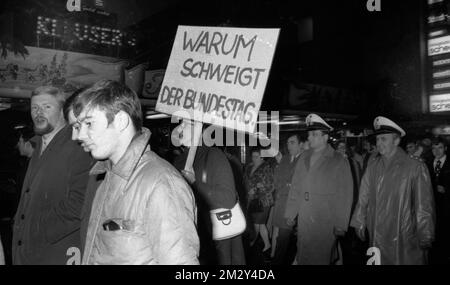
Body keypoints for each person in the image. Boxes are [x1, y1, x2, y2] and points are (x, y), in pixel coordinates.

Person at [72, 80, 199, 265]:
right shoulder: (106, 178)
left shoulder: (161, 183)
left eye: (89, 123)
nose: (80, 135)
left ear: (121, 121)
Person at [12, 86, 93, 265]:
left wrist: (37, 231)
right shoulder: (40, 143)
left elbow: (80, 203)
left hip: (57, 253)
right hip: (30, 251)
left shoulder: (79, 146)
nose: (38, 112)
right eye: (34, 108)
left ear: (63, 111)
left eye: (46, 107)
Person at [351, 116, 435, 265]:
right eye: (377, 140)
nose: (379, 143)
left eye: (383, 139)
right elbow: (363, 197)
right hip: (377, 232)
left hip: (403, 233)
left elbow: (423, 204)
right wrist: (359, 221)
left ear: (396, 141)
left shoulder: (415, 167)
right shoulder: (373, 166)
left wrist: (426, 233)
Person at [173, 121, 245, 265]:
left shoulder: (213, 156)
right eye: (180, 124)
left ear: (198, 129)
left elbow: (228, 199)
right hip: (188, 239)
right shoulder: (179, 160)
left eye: (185, 124)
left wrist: (195, 182)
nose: (180, 128)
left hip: (216, 239)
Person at [285, 113, 353, 265]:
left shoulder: (338, 160)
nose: (309, 137)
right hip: (304, 219)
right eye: (309, 134)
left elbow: (345, 194)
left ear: (325, 137)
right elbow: (296, 186)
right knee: (303, 255)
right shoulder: (304, 157)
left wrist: (341, 223)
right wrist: (291, 212)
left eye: (314, 134)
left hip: (325, 220)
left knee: (321, 258)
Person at [271, 134, 308, 265]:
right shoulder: (285, 159)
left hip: (299, 204)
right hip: (283, 204)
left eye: (292, 142)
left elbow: (301, 183)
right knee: (282, 237)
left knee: (300, 238)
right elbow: (276, 179)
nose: (289, 146)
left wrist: (287, 184)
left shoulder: (305, 159)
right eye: (287, 143)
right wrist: (286, 184)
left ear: (300, 145)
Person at [244, 147, 275, 254]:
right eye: (252, 156)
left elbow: (271, 186)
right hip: (252, 200)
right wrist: (248, 191)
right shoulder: (249, 167)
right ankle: (267, 244)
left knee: (256, 224)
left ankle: (250, 244)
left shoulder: (266, 167)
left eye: (256, 156)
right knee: (260, 224)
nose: (254, 158)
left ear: (262, 157)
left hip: (263, 201)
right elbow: (245, 182)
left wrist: (259, 187)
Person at [427, 138, 450, 264]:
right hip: (431, 206)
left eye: (440, 147)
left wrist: (447, 189)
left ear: (445, 148)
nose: (436, 151)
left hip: (447, 206)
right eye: (434, 148)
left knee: (446, 234)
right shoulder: (426, 163)